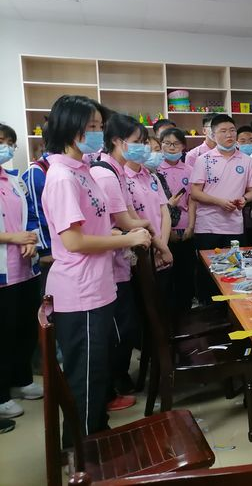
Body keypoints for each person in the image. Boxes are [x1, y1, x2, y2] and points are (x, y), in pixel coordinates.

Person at [41, 95, 150, 440]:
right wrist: (125, 239)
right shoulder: (62, 177)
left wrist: (117, 233)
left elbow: (93, 225)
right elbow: (73, 241)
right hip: (80, 290)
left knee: (97, 372)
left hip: (98, 285)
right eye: (90, 126)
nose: (96, 133)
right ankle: (83, 451)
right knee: (85, 378)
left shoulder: (84, 170)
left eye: (99, 126)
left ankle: (96, 437)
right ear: (68, 128)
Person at [90, 112, 158, 407]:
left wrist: (145, 228)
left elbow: (129, 216)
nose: (143, 147)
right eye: (137, 141)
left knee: (125, 326)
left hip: (119, 261)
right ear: (118, 141)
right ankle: (109, 389)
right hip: (109, 265)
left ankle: (114, 384)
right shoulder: (105, 174)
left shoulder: (115, 171)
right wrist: (146, 228)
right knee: (119, 329)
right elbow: (125, 221)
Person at [0, 124, 42, 420]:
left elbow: (30, 215)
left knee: (24, 328)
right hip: (2, 271)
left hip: (24, 268)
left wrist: (29, 240)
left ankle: (22, 379)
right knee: (2, 333)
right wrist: (11, 237)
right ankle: (1, 394)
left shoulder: (14, 180)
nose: (5, 147)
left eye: (9, 142)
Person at [191, 114, 252, 251]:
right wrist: (219, 202)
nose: (229, 134)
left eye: (232, 130)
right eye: (223, 131)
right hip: (207, 226)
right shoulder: (203, 159)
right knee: (208, 264)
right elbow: (195, 193)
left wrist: (244, 199)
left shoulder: (247, 160)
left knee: (234, 264)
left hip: (235, 226)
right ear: (213, 135)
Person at [123, 125, 174, 308]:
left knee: (165, 302)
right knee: (145, 306)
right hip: (142, 251)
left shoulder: (152, 176)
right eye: (139, 142)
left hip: (162, 250)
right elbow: (133, 219)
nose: (144, 148)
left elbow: (164, 211)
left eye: (145, 142)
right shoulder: (122, 178)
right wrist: (159, 247)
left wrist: (163, 246)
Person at [158, 127, 196, 312]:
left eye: (176, 144)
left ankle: (186, 309)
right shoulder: (156, 170)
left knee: (186, 272)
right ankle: (169, 312)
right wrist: (168, 230)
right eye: (167, 143)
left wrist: (191, 226)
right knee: (167, 275)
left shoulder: (190, 170)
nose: (171, 147)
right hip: (164, 231)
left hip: (185, 227)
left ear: (183, 146)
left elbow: (192, 200)